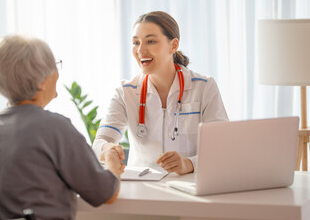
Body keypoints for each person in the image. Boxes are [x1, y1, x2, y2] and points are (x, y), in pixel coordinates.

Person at [0, 35, 124, 220]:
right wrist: (112, 160)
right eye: (54, 65)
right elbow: (105, 193)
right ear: (41, 81)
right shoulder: (56, 128)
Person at [93, 11, 228, 175]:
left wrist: (188, 164)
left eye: (150, 41)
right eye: (135, 43)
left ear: (173, 45)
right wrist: (108, 148)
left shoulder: (204, 87)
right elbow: (101, 141)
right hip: (143, 188)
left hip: (190, 187)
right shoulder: (125, 92)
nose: (140, 50)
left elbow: (222, 147)